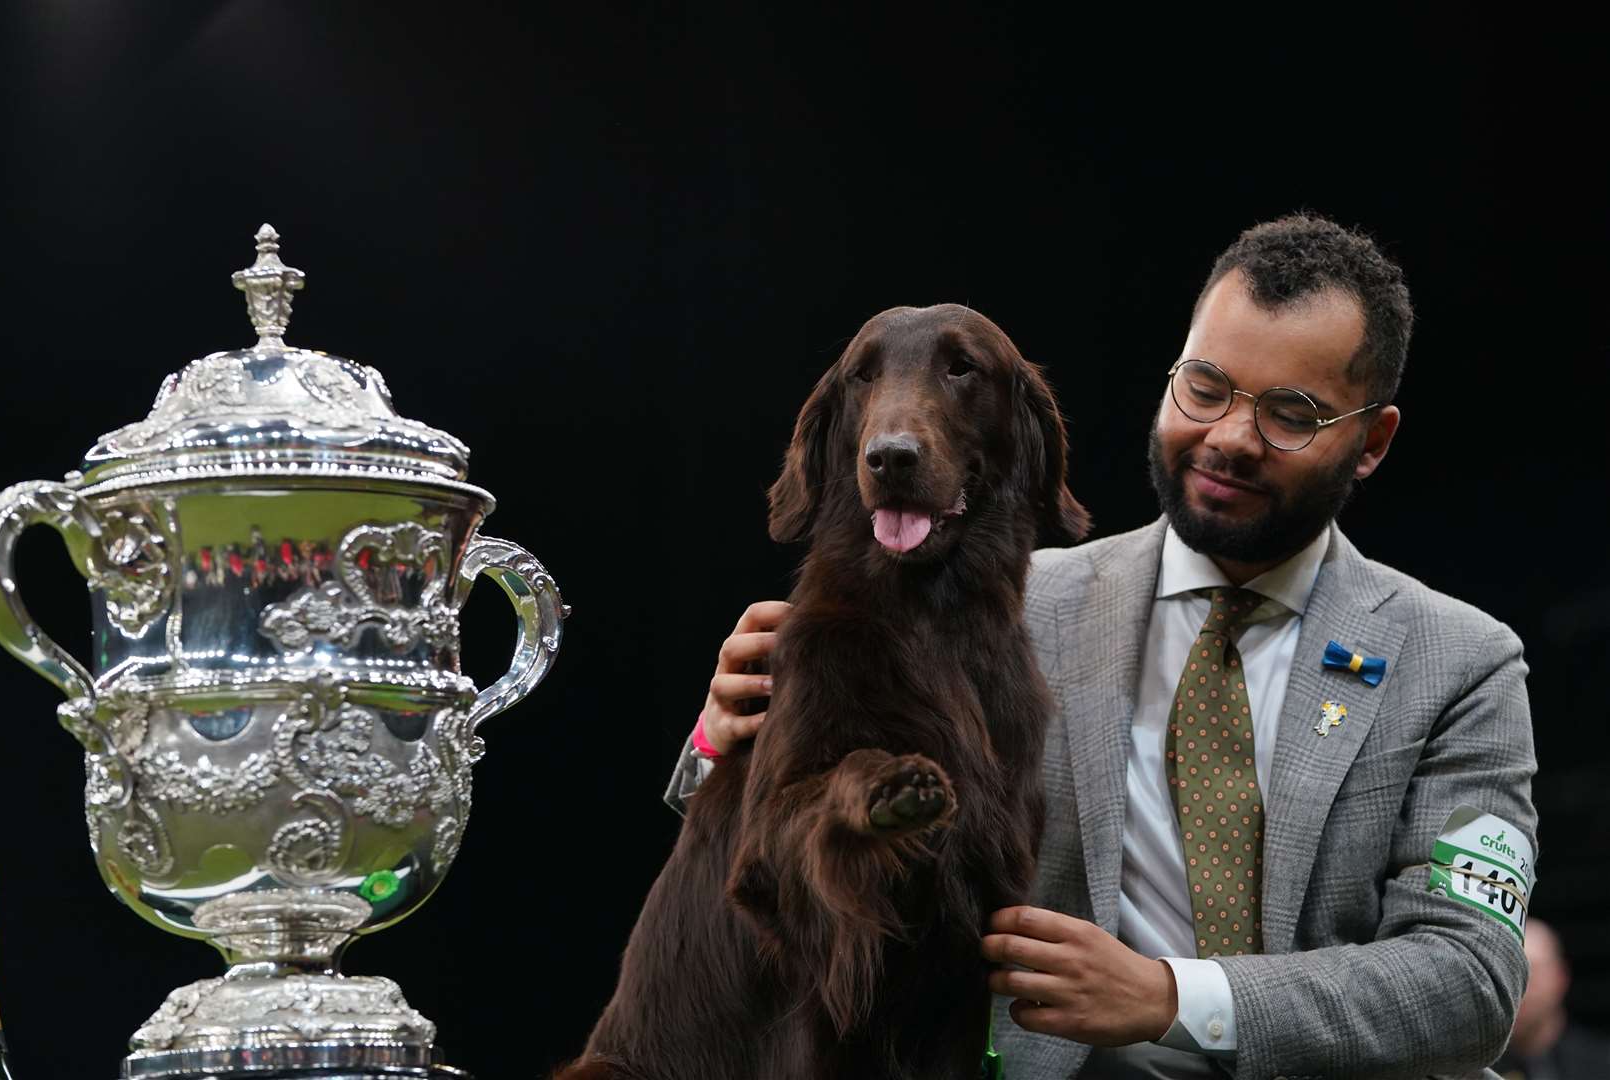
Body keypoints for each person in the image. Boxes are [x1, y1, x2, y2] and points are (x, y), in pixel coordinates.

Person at [671, 214, 1538, 1079]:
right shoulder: (1007, 609)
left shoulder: (1461, 663)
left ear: (1372, 442)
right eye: (1206, 387)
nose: (1230, 438)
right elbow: (797, 851)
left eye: (1291, 415)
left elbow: (1469, 980)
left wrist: (1171, 997)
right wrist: (721, 744)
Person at [1494, 918, 1610, 1079]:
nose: (1519, 988)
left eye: (1532, 972)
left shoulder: (1601, 1065)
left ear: (1561, 977)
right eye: (1508, 973)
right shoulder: (1469, 1069)